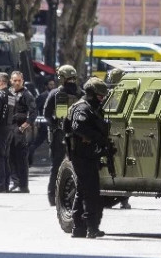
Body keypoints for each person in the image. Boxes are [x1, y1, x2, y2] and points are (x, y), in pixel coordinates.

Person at [67, 77, 112, 238]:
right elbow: (78, 127)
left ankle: (78, 228)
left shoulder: (91, 108)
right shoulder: (83, 108)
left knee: (82, 190)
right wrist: (97, 138)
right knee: (91, 192)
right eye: (100, 96)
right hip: (83, 155)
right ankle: (91, 227)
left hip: (87, 154)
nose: (102, 99)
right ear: (92, 94)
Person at [43, 65, 80, 205]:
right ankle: (73, 197)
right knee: (77, 166)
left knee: (56, 166)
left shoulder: (55, 93)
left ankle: (53, 198)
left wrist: (56, 127)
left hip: (59, 136)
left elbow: (47, 114)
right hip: (76, 135)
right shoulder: (81, 93)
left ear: (61, 78)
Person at [5, 70, 36, 192]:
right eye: (14, 80)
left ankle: (23, 185)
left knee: (21, 158)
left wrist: (24, 126)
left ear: (22, 81)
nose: (17, 83)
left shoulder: (27, 94)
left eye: (19, 80)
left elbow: (33, 113)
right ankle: (16, 182)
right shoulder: (10, 93)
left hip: (20, 129)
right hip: (9, 128)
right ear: (11, 81)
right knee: (10, 156)